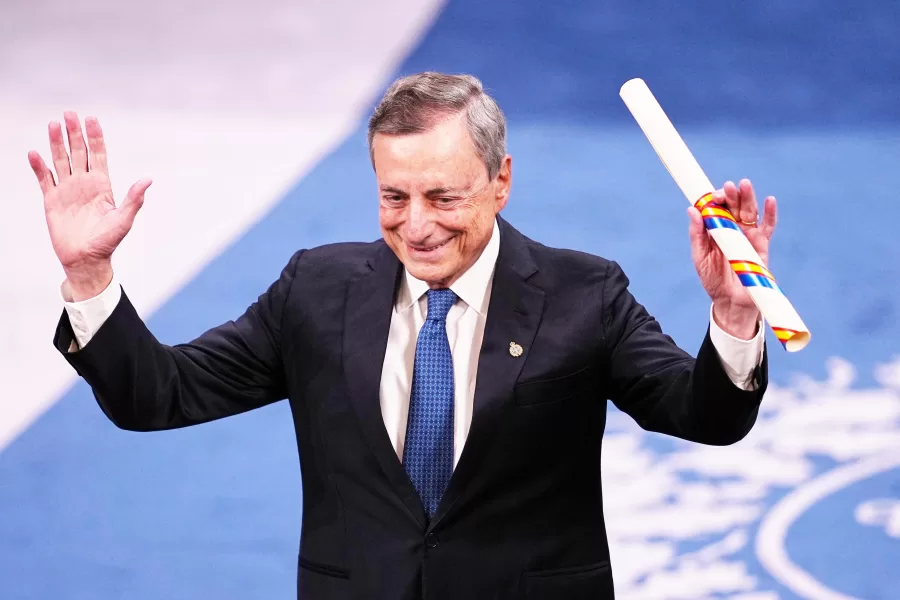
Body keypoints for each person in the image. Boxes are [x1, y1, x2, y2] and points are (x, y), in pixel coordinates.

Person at [30, 72, 771, 599]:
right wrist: (92, 275)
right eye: (394, 196)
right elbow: (157, 396)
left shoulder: (585, 294)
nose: (416, 226)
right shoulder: (315, 290)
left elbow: (704, 416)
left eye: (443, 196)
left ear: (501, 179)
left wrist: (734, 316)